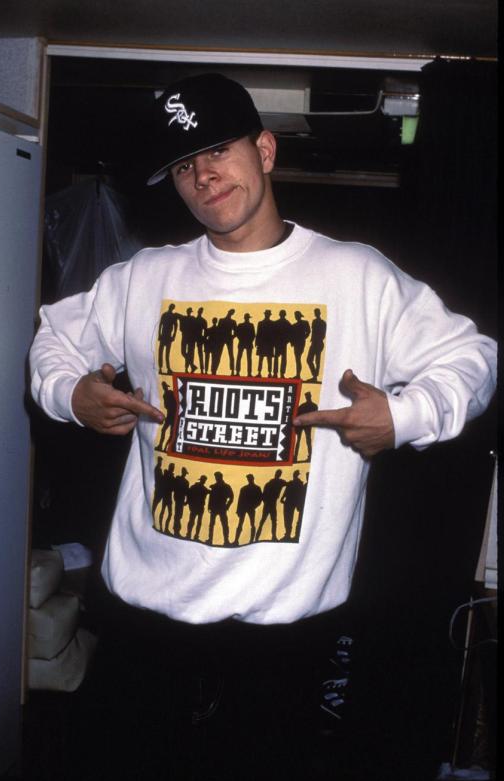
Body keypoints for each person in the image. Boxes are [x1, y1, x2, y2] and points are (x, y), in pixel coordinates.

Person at [29, 73, 496, 779]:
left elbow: (473, 357)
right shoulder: (143, 278)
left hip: (282, 649)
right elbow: (53, 338)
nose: (202, 175)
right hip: (142, 631)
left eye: (218, 149)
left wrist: (405, 415)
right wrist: (72, 394)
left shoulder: (357, 277)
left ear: (267, 150)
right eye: (183, 165)